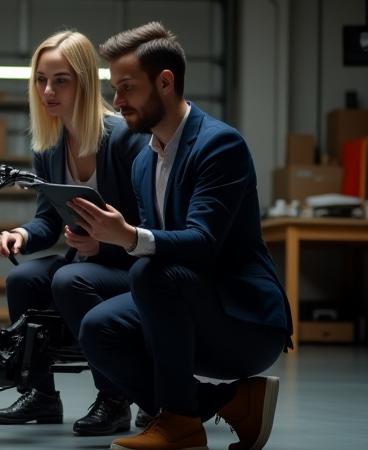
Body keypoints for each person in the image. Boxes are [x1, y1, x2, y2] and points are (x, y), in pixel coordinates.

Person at [65, 22, 293, 450]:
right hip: (191, 305)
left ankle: (180, 425)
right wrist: (108, 238)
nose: (117, 101)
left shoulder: (220, 145)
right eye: (115, 88)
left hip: (244, 321)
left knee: (150, 275)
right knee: (97, 328)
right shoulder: (143, 163)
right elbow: (158, 247)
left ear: (165, 82)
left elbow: (204, 242)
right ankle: (231, 402)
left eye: (127, 87)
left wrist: (129, 236)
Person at [0, 30, 150, 436]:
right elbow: (48, 220)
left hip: (131, 264)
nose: (48, 90)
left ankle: (114, 398)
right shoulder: (49, 147)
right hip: (86, 260)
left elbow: (151, 223)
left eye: (60, 80)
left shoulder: (124, 139)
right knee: (22, 278)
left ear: (85, 82)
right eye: (41, 79)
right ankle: (41, 394)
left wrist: (106, 240)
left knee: (70, 279)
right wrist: (22, 233)